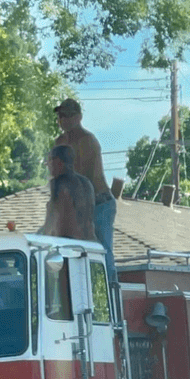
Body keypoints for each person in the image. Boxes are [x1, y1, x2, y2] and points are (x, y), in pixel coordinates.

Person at [53, 98, 117, 283]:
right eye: (60, 116)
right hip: (76, 206)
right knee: (72, 249)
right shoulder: (59, 142)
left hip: (100, 203)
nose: (63, 120)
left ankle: (110, 287)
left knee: (102, 248)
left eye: (68, 115)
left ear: (79, 117)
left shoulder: (88, 141)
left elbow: (83, 178)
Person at [39, 144, 97, 242]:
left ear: (57, 161)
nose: (48, 165)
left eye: (49, 161)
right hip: (90, 242)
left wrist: (40, 238)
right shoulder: (86, 183)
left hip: (68, 243)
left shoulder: (59, 183)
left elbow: (52, 222)